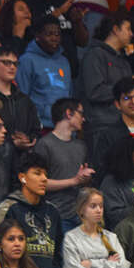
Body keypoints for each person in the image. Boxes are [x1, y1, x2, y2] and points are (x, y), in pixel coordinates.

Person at [0, 151, 65, 268]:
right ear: (22, 178)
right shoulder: (8, 207)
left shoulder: (53, 211)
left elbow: (58, 254)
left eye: (45, 174)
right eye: (37, 173)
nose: (44, 179)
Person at [34, 97, 93, 231]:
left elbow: (80, 181)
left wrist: (84, 179)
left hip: (80, 214)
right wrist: (74, 181)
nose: (83, 119)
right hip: (56, 214)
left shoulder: (81, 146)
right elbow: (39, 183)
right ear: (69, 113)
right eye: (81, 113)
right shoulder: (45, 144)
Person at [79, 11, 134, 135]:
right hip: (100, 128)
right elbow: (94, 92)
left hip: (123, 126)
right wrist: (125, 89)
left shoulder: (125, 62)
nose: (132, 34)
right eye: (128, 29)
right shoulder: (95, 55)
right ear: (115, 29)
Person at [0, 46, 40, 160]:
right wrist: (11, 143)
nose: (12, 67)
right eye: (6, 63)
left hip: (22, 161)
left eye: (15, 64)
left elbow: (35, 129)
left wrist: (29, 139)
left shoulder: (24, 100)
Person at [17, 16, 72, 130]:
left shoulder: (64, 61)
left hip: (64, 125)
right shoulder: (27, 60)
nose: (54, 38)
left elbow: (69, 94)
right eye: (49, 34)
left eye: (57, 34)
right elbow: (22, 96)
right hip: (40, 126)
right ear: (38, 36)